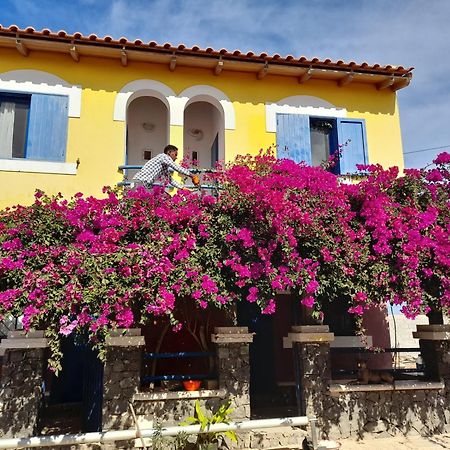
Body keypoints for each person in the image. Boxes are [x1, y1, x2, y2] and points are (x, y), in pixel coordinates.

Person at [132, 144, 198, 189]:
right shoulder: (164, 156)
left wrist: (183, 188)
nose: (176, 157)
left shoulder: (164, 165)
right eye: (175, 154)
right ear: (169, 152)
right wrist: (192, 175)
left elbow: (170, 180)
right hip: (140, 182)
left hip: (144, 184)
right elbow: (176, 167)